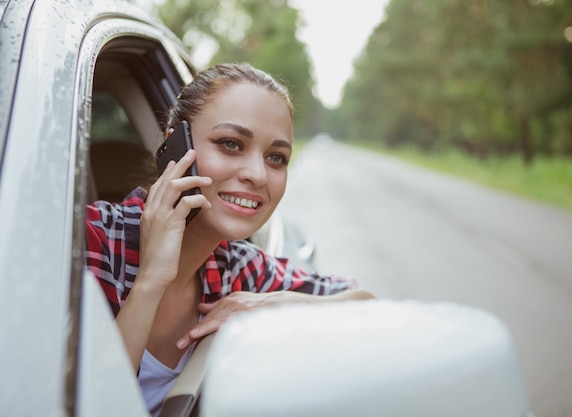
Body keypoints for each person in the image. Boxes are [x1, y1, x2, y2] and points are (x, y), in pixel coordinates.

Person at [85, 62, 374, 416]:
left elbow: (367, 305)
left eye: (276, 158)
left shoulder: (239, 268)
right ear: (173, 146)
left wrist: (272, 304)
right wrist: (151, 281)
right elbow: (86, 403)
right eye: (230, 144)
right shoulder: (90, 240)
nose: (257, 175)